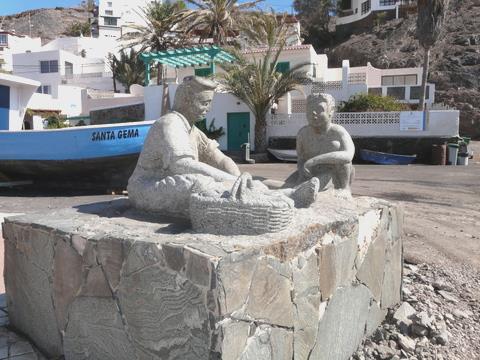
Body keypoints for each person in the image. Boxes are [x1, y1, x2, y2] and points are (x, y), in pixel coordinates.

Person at [128, 76, 318, 218]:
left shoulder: (192, 130)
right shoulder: (170, 123)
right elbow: (183, 166)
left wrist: (237, 177)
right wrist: (231, 181)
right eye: (204, 102)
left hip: (171, 182)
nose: (208, 108)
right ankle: (280, 199)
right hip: (146, 189)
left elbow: (219, 159)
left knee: (227, 184)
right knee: (201, 184)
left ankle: (287, 195)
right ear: (186, 99)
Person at [287, 93, 355, 194]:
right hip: (310, 172)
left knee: (344, 162)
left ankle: (345, 189)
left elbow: (348, 155)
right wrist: (302, 169)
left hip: (333, 174)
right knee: (288, 188)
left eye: (319, 109)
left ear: (331, 111)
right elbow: (301, 158)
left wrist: (315, 160)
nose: (313, 113)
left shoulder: (338, 132)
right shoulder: (303, 133)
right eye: (309, 110)